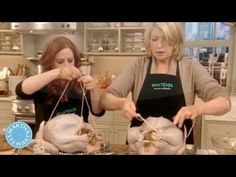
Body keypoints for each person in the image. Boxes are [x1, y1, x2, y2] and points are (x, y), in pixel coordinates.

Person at [99, 22, 231, 144]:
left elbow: (224, 103)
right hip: (141, 146)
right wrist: (121, 103)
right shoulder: (138, 66)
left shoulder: (190, 67)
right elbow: (105, 99)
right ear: (148, 41)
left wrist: (196, 109)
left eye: (166, 39)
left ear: (175, 41)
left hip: (177, 146)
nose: (159, 45)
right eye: (154, 39)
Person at [16, 36, 105, 135]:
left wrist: (94, 89)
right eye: (60, 62)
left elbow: (97, 112)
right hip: (49, 144)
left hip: (78, 141)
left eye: (70, 60)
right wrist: (58, 73)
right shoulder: (43, 82)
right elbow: (20, 90)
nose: (66, 66)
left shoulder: (82, 82)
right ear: (50, 63)